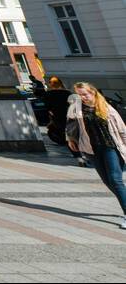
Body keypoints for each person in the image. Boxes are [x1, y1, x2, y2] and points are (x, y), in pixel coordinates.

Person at [65, 82, 126, 228]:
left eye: (85, 94)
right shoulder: (75, 108)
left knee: (115, 180)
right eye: (80, 95)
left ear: (93, 92)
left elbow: (122, 129)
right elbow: (69, 125)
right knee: (107, 181)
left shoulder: (106, 107)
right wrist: (70, 139)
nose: (83, 97)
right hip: (91, 149)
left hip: (111, 147)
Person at [43, 76, 86, 165]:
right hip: (72, 117)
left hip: (59, 119)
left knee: (68, 138)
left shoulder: (48, 95)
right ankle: (85, 155)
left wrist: (52, 115)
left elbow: (47, 108)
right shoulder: (67, 93)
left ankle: (79, 158)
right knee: (79, 135)